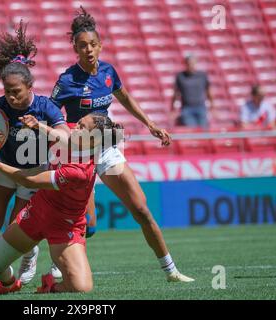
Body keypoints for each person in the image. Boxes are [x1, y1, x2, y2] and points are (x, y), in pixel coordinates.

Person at [49, 7, 193, 282]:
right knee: (87, 225)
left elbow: (124, 98)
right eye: (82, 46)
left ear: (100, 45)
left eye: (92, 44)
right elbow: (52, 114)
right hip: (78, 154)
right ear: (75, 49)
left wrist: (150, 124)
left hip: (106, 150)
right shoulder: (67, 80)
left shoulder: (108, 71)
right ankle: (58, 266)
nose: (88, 49)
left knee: (141, 209)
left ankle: (171, 271)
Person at [0, 21, 69, 295]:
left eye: (16, 91)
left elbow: (65, 136)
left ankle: (29, 253)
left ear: (29, 86)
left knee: (12, 230)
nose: (10, 96)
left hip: (33, 175)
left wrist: (39, 127)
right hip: (4, 170)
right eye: (7, 91)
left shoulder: (46, 107)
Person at [0, 112, 121, 294]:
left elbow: (29, 180)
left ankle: (50, 287)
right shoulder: (72, 141)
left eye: (81, 127)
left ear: (93, 141)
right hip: (37, 213)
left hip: (65, 226)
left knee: (81, 288)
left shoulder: (79, 171)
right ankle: (11, 283)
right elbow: (55, 134)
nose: (75, 127)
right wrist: (36, 125)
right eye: (79, 122)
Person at [170, 54, 214, 128]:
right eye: (189, 63)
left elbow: (208, 91)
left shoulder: (202, 75)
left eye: (192, 63)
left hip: (201, 107)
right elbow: (176, 93)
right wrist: (173, 109)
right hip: (186, 108)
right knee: (191, 130)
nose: (191, 65)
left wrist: (212, 106)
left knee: (204, 130)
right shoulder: (180, 76)